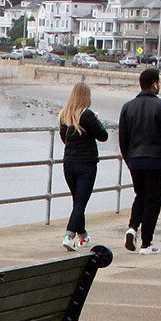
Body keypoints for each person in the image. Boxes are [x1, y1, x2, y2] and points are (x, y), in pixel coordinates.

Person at [117, 67, 161, 254]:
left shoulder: (127, 107)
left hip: (135, 160)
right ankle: (146, 243)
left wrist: (129, 159)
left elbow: (123, 138)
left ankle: (132, 228)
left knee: (141, 195)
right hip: (156, 160)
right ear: (154, 84)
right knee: (153, 200)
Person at [56, 81, 109, 249]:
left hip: (69, 164)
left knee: (77, 201)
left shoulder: (64, 115)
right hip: (86, 164)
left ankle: (83, 235)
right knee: (80, 202)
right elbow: (103, 136)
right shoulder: (87, 115)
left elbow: (65, 140)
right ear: (87, 97)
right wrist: (97, 121)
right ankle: (68, 236)